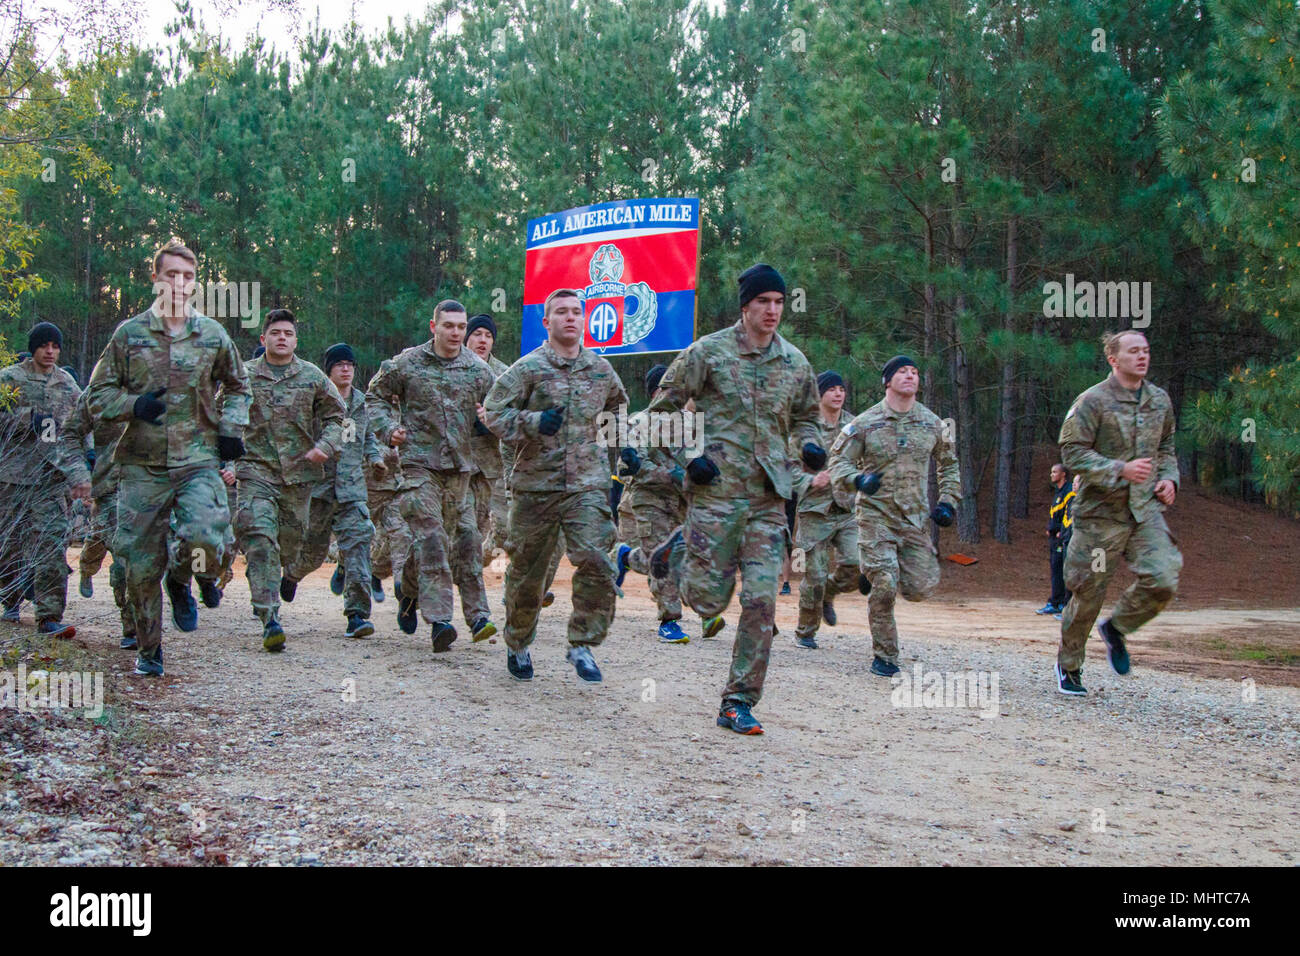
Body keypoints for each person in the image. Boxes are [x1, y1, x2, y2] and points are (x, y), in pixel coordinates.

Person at [648, 264, 823, 735]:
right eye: (763, 301)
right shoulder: (707, 352)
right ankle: (680, 550)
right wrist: (688, 457)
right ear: (745, 306)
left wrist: (808, 444)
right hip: (715, 495)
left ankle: (738, 701)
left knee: (762, 599)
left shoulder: (795, 363)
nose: (772, 311)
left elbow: (808, 416)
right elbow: (658, 414)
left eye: (779, 302)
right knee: (706, 603)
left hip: (768, 499)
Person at [86, 240, 251, 676]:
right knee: (139, 567)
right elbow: (97, 395)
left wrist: (232, 430)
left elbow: (239, 387)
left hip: (198, 460)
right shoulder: (129, 335)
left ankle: (181, 581)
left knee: (206, 540)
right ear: (156, 279)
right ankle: (149, 651)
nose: (179, 283)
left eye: (188, 276)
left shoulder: (212, 335)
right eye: (171, 275)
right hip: (142, 466)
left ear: (196, 283)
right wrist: (133, 405)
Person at [483, 288, 628, 683]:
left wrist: (624, 447)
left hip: (587, 486)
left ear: (585, 320)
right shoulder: (527, 369)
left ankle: (581, 643)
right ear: (545, 322)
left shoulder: (600, 369)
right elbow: (493, 413)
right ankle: (517, 641)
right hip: (536, 487)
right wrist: (531, 423)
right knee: (528, 574)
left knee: (598, 560)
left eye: (576, 312)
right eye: (560, 312)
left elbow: (619, 407)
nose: (570, 318)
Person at [1054, 330, 1181, 696]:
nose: (1142, 357)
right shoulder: (1093, 401)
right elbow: (1072, 453)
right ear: (1113, 358)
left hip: (1144, 513)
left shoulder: (1159, 400)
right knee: (1089, 591)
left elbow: (1167, 446)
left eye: (1146, 350)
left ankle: (1117, 628)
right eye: (1133, 351)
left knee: (1164, 577)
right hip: (1100, 519)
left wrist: (1169, 479)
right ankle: (1070, 665)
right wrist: (1118, 469)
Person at [366, 300, 497, 651]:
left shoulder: (478, 370)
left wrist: (491, 420)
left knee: (468, 540)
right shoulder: (407, 363)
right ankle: (443, 620)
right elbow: (374, 397)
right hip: (418, 467)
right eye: (449, 326)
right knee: (433, 539)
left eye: (461, 327)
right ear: (433, 326)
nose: (456, 333)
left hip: (460, 471)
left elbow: (502, 408)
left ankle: (421, 597)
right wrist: (388, 428)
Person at [827, 354, 961, 678]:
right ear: (888, 381)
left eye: (915, 371)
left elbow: (949, 465)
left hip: (914, 519)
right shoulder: (865, 422)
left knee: (920, 588)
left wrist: (948, 502)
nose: (910, 376)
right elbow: (837, 461)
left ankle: (871, 568)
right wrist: (858, 480)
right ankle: (885, 655)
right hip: (875, 515)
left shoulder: (933, 423)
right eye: (902, 371)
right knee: (885, 584)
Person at [235, 308, 345, 651]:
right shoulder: (243, 375)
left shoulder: (312, 377)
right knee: (260, 537)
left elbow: (340, 418)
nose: (282, 338)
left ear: (296, 340)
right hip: (255, 471)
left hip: (299, 478)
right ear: (263, 339)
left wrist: (325, 446)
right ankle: (269, 617)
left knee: (290, 544)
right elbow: (218, 414)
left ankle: (281, 581)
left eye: (288, 333)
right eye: (275, 333)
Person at [0, 322, 90, 637]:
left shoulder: (67, 384)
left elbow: (80, 425)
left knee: (52, 544)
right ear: (34, 347)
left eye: (55, 346)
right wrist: (27, 419)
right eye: (44, 346)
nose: (50, 352)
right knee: (10, 545)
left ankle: (49, 617)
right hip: (12, 477)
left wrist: (84, 465)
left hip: (52, 478)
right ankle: (9, 598)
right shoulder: (9, 379)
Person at [283, 343, 377, 639]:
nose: (346, 369)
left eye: (350, 364)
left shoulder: (362, 403)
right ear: (329, 371)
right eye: (339, 365)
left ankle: (357, 614)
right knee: (312, 551)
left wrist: (376, 458)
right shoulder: (315, 400)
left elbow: (369, 436)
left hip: (351, 490)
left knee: (359, 544)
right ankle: (292, 574)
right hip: (319, 488)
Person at [610, 363, 695, 643]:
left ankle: (624, 556)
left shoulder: (694, 423)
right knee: (663, 558)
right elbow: (627, 467)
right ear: (656, 392)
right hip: (650, 500)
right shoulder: (640, 422)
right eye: (668, 388)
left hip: (683, 504)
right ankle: (669, 621)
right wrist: (670, 474)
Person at [790, 370, 856, 650]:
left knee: (857, 565)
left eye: (841, 388)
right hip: (815, 511)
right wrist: (809, 480)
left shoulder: (855, 426)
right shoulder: (805, 428)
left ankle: (829, 593)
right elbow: (786, 468)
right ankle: (806, 631)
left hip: (846, 509)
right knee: (814, 576)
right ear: (819, 394)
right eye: (832, 389)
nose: (838, 393)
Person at [65, 388, 135, 646]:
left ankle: (137, 626)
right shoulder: (99, 390)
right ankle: (87, 569)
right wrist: (82, 475)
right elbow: (71, 434)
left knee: (135, 556)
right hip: (108, 487)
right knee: (104, 542)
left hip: (145, 487)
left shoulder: (159, 382)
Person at [1036, 463, 1075, 617]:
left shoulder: (1069, 491)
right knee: (1056, 571)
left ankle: (1064, 605)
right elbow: (1055, 514)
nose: (1051, 474)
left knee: (1064, 572)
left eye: (1054, 472)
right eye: (1051, 471)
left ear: (1063, 474)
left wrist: (1060, 531)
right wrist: (1050, 528)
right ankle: (1055, 602)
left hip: (1063, 538)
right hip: (1054, 538)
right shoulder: (1058, 492)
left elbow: (1068, 515)